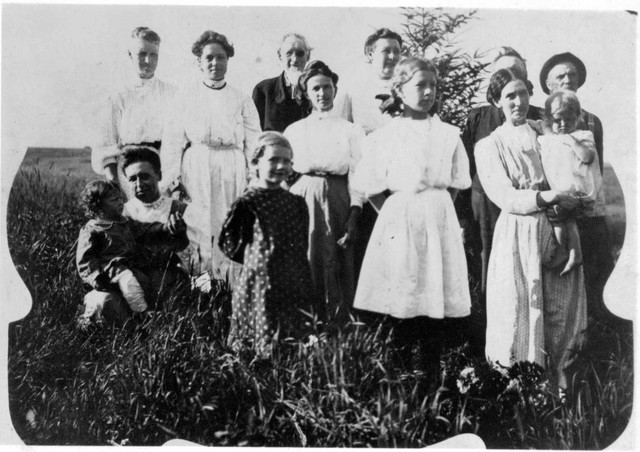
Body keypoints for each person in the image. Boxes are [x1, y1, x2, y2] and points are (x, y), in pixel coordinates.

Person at [352, 57, 471, 377]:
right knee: (402, 298)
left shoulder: (448, 134)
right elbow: (371, 185)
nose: (429, 91)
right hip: (400, 222)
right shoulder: (385, 136)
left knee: (434, 298)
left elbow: (457, 182)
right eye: (420, 85)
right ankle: (400, 380)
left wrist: (436, 207)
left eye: (433, 85)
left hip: (438, 221)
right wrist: (396, 213)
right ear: (401, 91)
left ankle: (431, 379)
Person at [475, 67, 587, 393]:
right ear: (496, 100)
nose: (518, 101)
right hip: (519, 232)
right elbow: (504, 195)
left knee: (559, 304)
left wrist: (565, 198)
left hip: (558, 224)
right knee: (521, 305)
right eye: (510, 95)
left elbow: (568, 165)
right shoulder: (489, 145)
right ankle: (519, 387)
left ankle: (558, 385)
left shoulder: (544, 130)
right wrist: (544, 195)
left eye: (523, 92)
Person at [455, 46, 543, 358]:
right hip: (486, 206)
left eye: (518, 73)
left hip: (531, 208)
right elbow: (463, 170)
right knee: (489, 268)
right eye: (503, 74)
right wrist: (463, 218)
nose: (512, 80)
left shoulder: (537, 119)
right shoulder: (478, 116)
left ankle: (531, 343)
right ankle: (487, 342)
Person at [161, 30, 261, 282]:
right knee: (198, 223)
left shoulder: (241, 98)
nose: (215, 63)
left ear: (228, 59)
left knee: (228, 223)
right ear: (199, 61)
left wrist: (254, 179)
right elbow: (173, 141)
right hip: (196, 164)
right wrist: (173, 181)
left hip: (231, 166)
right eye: (209, 58)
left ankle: (228, 287)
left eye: (221, 57)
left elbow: (254, 141)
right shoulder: (185, 96)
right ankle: (201, 287)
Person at [284, 60, 365, 326]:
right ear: (306, 93)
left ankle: (339, 324)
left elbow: (357, 172)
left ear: (335, 88)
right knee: (307, 257)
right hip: (304, 195)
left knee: (338, 257)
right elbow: (285, 171)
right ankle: (308, 324)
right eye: (316, 88)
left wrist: (355, 212)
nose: (322, 93)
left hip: (339, 194)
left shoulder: (350, 129)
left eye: (327, 87)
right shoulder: (295, 130)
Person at [219, 132, 314, 354]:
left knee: (289, 341)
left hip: (292, 280)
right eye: (273, 160)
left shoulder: (296, 203)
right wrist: (258, 262)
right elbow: (229, 243)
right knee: (256, 339)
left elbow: (301, 243)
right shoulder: (247, 203)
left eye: (287, 161)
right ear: (256, 163)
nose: (281, 166)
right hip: (259, 283)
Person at [539, 52, 613, 322]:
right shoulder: (543, 120)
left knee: (597, 270)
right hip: (556, 206)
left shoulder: (591, 122)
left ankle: (601, 333)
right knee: (560, 270)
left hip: (588, 205)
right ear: (548, 83)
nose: (568, 79)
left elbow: (595, 166)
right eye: (560, 75)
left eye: (572, 74)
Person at [337, 28, 403, 285]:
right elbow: (342, 133)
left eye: (397, 51)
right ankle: (368, 317)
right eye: (386, 50)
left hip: (399, 181)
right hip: (366, 181)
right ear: (369, 54)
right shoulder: (354, 89)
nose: (392, 57)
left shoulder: (408, 89)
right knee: (367, 244)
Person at [76, 180, 187, 326]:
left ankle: (163, 313)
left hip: (133, 266)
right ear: (98, 206)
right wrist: (96, 277)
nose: (120, 202)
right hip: (112, 270)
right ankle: (142, 314)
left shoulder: (125, 222)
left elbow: (145, 229)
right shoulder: (92, 229)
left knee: (154, 280)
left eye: (120, 198)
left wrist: (165, 228)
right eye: (114, 200)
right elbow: (85, 260)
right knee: (128, 281)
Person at [92, 27, 176, 197]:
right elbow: (105, 147)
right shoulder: (116, 96)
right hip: (127, 177)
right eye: (141, 54)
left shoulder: (172, 94)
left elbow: (178, 143)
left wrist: (172, 183)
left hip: (162, 174)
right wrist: (117, 188)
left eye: (154, 55)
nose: (148, 60)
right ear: (130, 55)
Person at [535, 89, 603, 276]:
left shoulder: (582, 136)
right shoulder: (548, 138)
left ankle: (573, 252)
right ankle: (564, 250)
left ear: (578, 117)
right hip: (558, 188)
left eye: (569, 119)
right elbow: (537, 126)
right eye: (558, 120)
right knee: (558, 218)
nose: (563, 124)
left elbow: (588, 157)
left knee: (566, 217)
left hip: (576, 188)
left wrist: (571, 141)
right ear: (549, 119)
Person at [119, 145, 190, 290]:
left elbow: (192, 257)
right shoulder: (124, 212)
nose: (139, 184)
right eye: (132, 179)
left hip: (171, 283)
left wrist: (180, 237)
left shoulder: (179, 209)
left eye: (145, 176)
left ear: (159, 175)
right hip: (135, 284)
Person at [252, 33, 312, 132]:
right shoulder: (264, 90)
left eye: (300, 53)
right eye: (289, 53)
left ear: (308, 57)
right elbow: (254, 134)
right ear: (280, 56)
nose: (295, 59)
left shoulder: (317, 90)